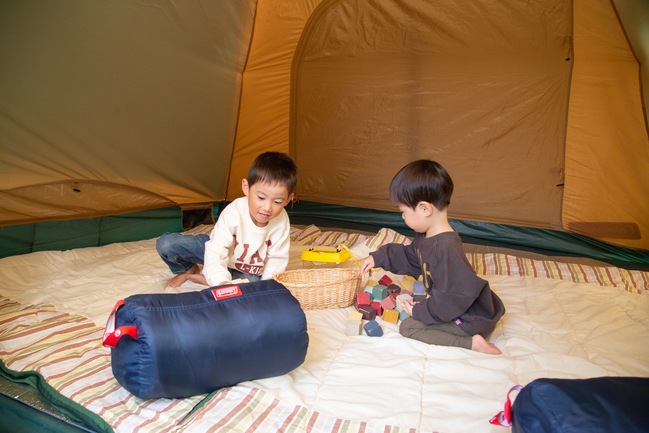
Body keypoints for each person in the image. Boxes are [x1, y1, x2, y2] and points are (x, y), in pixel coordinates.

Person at [358, 160, 505, 355]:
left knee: (408, 327)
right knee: (418, 316)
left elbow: (451, 297)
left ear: (425, 209)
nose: (402, 217)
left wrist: (419, 311)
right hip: (452, 305)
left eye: (403, 212)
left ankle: (472, 343)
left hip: (471, 318)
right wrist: (378, 258)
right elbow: (411, 257)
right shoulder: (428, 236)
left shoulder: (446, 248)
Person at [157, 151, 297, 288]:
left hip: (247, 270)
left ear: (288, 200)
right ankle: (189, 269)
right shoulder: (234, 211)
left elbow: (277, 260)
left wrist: (267, 288)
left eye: (278, 201)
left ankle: (210, 278)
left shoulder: (281, 221)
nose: (267, 207)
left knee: (254, 285)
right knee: (166, 244)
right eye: (261, 197)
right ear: (246, 188)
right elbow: (217, 248)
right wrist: (220, 282)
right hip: (217, 252)